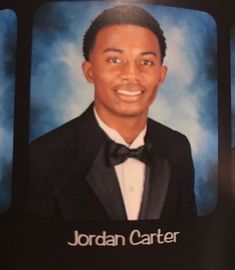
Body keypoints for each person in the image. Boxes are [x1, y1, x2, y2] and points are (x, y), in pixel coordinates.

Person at [29, 5, 197, 220]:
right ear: (89, 72)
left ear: (161, 75)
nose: (131, 75)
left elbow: (190, 240)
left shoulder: (177, 147)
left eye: (146, 62)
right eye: (114, 60)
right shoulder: (44, 157)